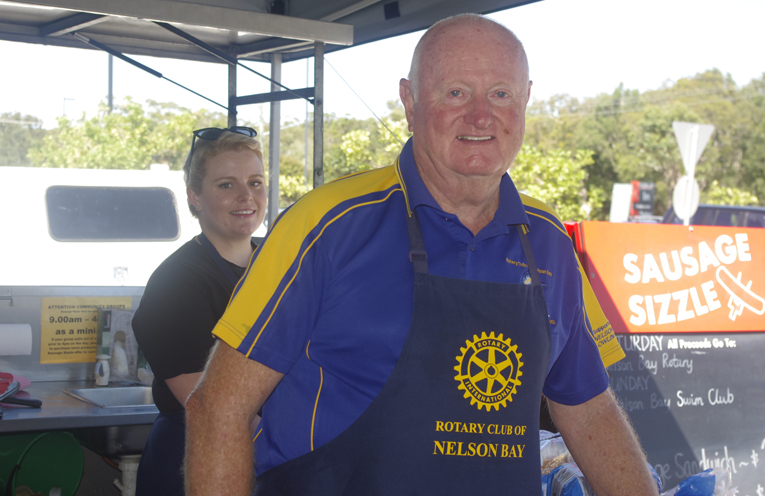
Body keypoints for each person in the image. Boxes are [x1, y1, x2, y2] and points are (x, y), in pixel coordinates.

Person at [185, 15, 658, 496]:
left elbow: (589, 407)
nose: (481, 116)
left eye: (500, 93)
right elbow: (218, 408)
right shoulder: (327, 225)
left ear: (526, 100)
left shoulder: (549, 241)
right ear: (409, 103)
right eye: (456, 93)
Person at [132, 126, 265, 496]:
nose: (246, 196)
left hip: (269, 456)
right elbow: (207, 406)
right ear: (195, 197)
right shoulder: (176, 283)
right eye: (226, 185)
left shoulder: (282, 265)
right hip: (196, 459)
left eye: (255, 182)